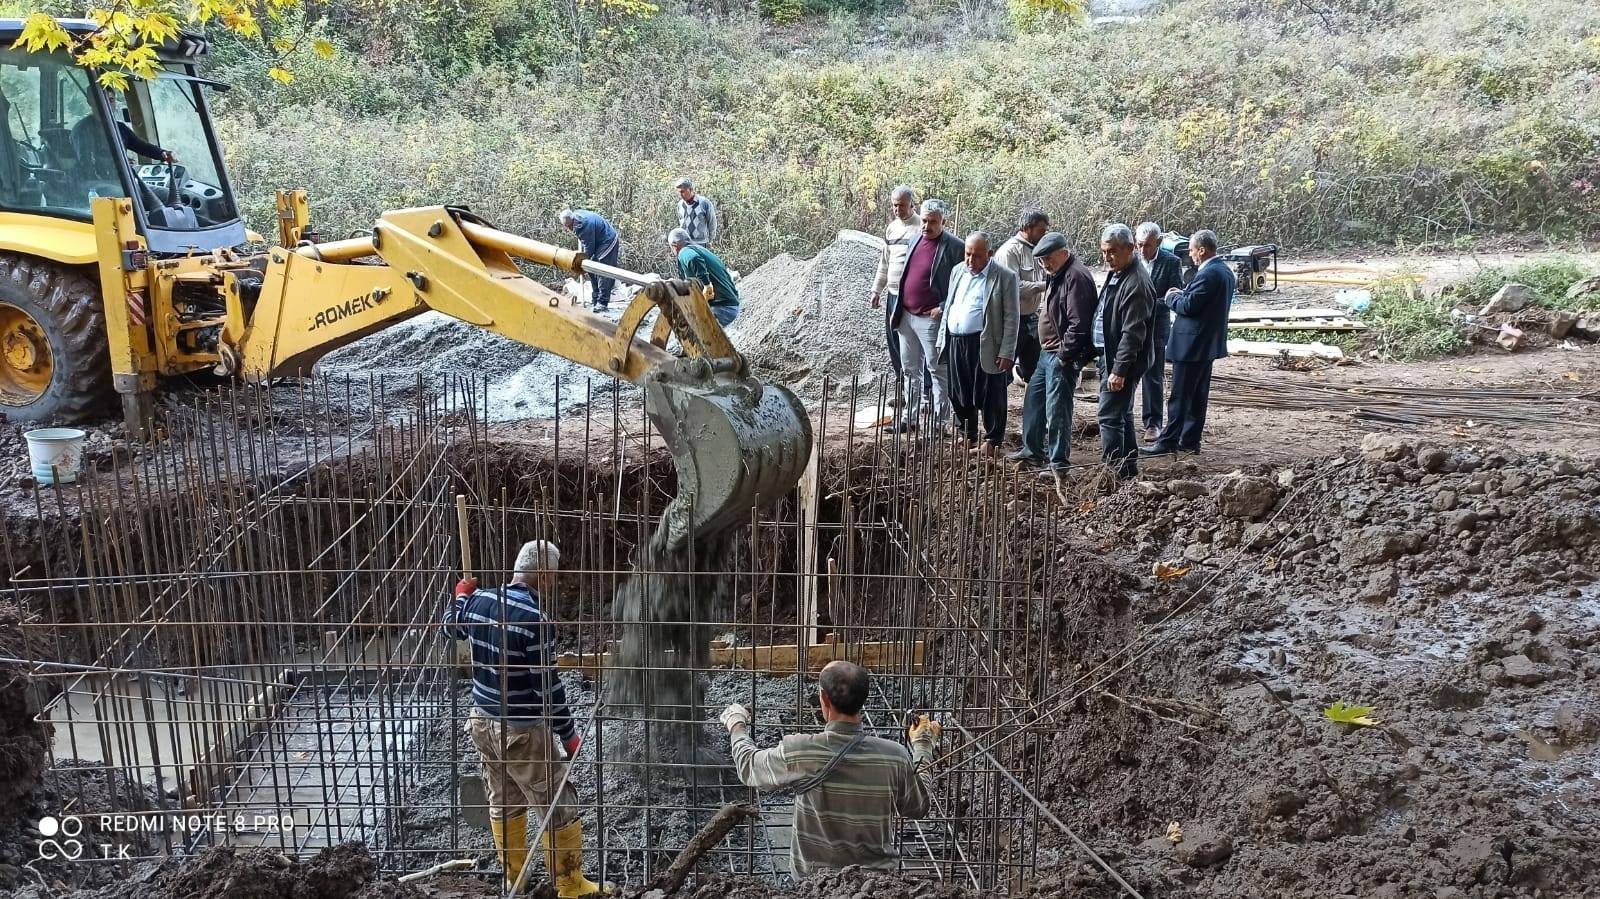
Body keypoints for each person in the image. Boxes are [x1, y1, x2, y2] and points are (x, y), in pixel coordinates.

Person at [446, 540, 609, 896]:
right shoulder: (535, 621)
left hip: (481, 722)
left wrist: (461, 595)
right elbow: (547, 691)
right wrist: (568, 735)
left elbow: (451, 627)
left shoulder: (481, 600)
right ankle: (571, 886)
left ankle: (514, 880)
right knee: (558, 801)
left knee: (503, 798)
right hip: (519, 730)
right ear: (546, 578)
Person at [719, 661, 939, 877]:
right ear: (863, 700)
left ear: (823, 698)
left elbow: (748, 766)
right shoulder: (895, 756)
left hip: (815, 885)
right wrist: (922, 745)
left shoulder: (800, 750)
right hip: (875, 886)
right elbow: (918, 807)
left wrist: (736, 724)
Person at [1010, 232, 1097, 474]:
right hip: (1046, 352)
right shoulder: (1057, 273)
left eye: (1048, 258)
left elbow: (1078, 325)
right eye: (1041, 260)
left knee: (1057, 410)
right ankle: (1032, 450)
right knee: (1034, 401)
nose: (1045, 264)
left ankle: (1058, 463)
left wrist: (1064, 356)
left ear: (1063, 252)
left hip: (1061, 354)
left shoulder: (1076, 277)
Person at [1142, 229, 1235, 457]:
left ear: (1202, 250)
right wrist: (1183, 294)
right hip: (1206, 344)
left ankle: (1168, 441)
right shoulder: (1224, 271)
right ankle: (1190, 440)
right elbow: (1200, 302)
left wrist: (1171, 296)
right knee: (1197, 396)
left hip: (1191, 345)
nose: (1191, 255)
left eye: (1192, 250)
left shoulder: (1208, 274)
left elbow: (1189, 306)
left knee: (1180, 397)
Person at [936, 231, 1018, 455]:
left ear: (989, 254)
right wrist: (942, 336)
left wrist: (1008, 352)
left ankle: (992, 441)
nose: (971, 261)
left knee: (991, 393)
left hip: (986, 343)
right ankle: (967, 435)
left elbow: (1012, 317)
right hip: (956, 340)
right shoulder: (957, 271)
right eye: (968, 254)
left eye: (977, 256)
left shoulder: (1004, 276)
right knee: (959, 391)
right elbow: (950, 306)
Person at [891, 198, 964, 434]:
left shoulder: (955, 247)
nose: (926, 226)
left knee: (937, 369)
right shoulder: (915, 239)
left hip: (931, 319)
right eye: (924, 221)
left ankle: (940, 423)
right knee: (910, 370)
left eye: (933, 222)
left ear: (944, 221)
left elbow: (965, 282)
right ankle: (909, 418)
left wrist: (943, 306)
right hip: (907, 315)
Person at [1094, 224, 1155, 480]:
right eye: (1104, 252)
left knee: (1108, 416)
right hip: (1110, 357)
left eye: (1112, 252)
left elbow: (1133, 333)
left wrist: (1119, 370)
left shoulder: (1136, 283)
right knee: (1122, 414)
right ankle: (1127, 471)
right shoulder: (1119, 272)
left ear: (1130, 249)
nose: (1107, 257)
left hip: (1121, 363)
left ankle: (1110, 475)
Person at [1134, 222, 1184, 443]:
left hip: (1156, 327)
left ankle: (1153, 423)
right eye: (1139, 245)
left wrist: (1150, 304)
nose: (1143, 250)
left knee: (1153, 377)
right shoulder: (1133, 259)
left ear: (1159, 243)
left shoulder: (1171, 262)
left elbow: (1175, 295)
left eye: (1148, 246)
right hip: (1132, 327)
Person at [870, 185, 921, 383]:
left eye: (901, 205)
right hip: (893, 294)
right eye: (894, 205)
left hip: (912, 297)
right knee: (894, 342)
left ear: (911, 205)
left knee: (912, 344)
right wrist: (877, 290)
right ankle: (903, 386)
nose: (897, 209)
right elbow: (885, 261)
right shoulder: (891, 228)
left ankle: (919, 391)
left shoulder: (920, 227)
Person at [995, 210, 1050, 385]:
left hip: (1032, 319)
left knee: (1034, 371)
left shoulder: (1037, 251)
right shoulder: (1010, 252)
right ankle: (997, 409)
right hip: (1012, 321)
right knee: (1003, 371)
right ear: (1028, 228)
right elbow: (1014, 288)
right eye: (1041, 230)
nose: (1044, 235)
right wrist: (1046, 285)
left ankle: (1031, 410)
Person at [668, 228, 740, 326]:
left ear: (675, 245)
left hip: (722, 307)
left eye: (671, 248)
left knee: (691, 331)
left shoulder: (684, 252)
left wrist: (707, 285)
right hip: (731, 304)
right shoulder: (701, 249)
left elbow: (694, 258)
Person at [559, 209, 621, 312]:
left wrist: (579, 263)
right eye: (566, 226)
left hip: (608, 241)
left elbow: (589, 249)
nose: (568, 229)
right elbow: (586, 244)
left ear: (573, 220)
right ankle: (595, 298)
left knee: (603, 272)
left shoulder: (584, 226)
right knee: (591, 269)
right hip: (598, 241)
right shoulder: (576, 217)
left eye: (569, 226)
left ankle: (602, 303)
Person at [674, 177, 717, 246]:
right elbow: (680, 222)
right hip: (686, 243)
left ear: (690, 189)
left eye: (683, 191)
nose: (680, 195)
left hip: (701, 243)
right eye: (679, 192)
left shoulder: (704, 203)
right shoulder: (680, 205)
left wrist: (710, 240)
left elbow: (712, 223)